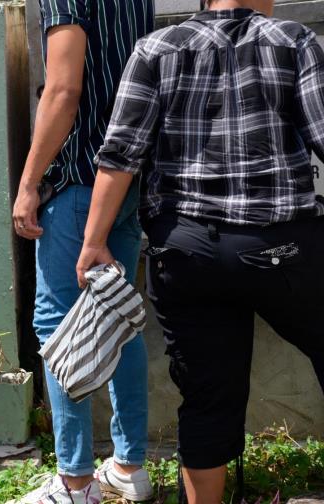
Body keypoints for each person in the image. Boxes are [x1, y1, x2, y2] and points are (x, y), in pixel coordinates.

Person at [77, 0, 324, 502]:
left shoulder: (155, 48)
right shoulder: (294, 41)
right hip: (280, 246)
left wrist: (93, 242)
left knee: (208, 399)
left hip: (187, 251)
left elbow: (121, 152)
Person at [9, 1, 156, 503]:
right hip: (127, 177)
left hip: (79, 180)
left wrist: (29, 183)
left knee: (55, 325)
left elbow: (64, 89)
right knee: (119, 314)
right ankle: (129, 466)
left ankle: (74, 483)